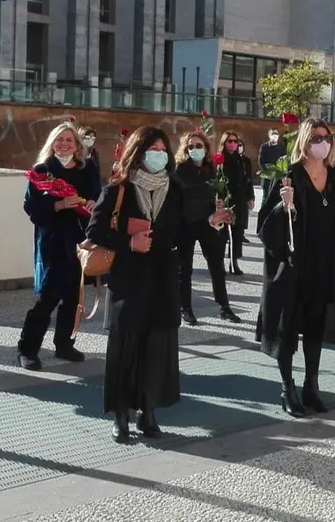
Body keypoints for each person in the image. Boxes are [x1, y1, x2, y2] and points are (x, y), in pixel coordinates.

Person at [86, 126, 231, 442]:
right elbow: (94, 231)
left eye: (163, 149)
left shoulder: (175, 190)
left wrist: (209, 222)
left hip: (163, 277)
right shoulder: (117, 190)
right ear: (139, 153)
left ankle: (147, 410)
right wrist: (129, 241)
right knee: (126, 346)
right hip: (128, 279)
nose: (159, 154)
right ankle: (121, 414)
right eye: (152, 148)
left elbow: (182, 233)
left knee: (156, 348)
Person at [258, 118, 335, 417]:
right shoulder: (288, 176)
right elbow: (265, 225)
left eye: (327, 138)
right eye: (317, 137)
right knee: (287, 329)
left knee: (315, 329)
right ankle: (287, 388)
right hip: (293, 267)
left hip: (324, 265)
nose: (324, 143)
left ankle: (311, 386)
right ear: (305, 140)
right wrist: (283, 207)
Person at [17, 123, 97, 371]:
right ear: (51, 143)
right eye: (59, 140)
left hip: (80, 241)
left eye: (69, 140)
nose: (64, 144)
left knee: (75, 297)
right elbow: (31, 207)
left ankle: (64, 343)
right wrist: (59, 205)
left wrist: (93, 203)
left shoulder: (87, 168)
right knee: (48, 296)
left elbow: (98, 194)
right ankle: (27, 348)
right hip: (53, 241)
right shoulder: (42, 171)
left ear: (77, 145)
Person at [173, 131, 241, 325]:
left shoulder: (212, 169)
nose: (195, 149)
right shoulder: (180, 171)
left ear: (206, 148)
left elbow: (217, 194)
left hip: (209, 224)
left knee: (217, 266)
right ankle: (185, 308)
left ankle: (224, 307)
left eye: (199, 145)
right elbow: (181, 201)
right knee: (184, 268)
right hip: (186, 224)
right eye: (191, 146)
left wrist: (219, 207)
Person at [217, 130, 255, 275]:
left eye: (235, 141)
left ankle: (234, 262)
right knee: (222, 234)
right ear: (224, 143)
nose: (233, 144)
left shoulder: (244, 161)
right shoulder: (219, 159)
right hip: (225, 199)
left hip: (239, 200)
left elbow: (249, 181)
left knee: (237, 233)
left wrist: (250, 198)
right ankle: (219, 262)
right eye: (229, 141)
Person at [258, 128, 286, 196]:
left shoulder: (282, 147)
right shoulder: (264, 147)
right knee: (265, 198)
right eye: (273, 133)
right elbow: (261, 162)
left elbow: (285, 161)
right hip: (268, 177)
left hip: (278, 178)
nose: (275, 135)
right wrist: (269, 171)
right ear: (269, 135)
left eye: (276, 133)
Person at [236, 139, 254, 244]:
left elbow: (250, 179)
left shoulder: (246, 161)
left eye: (240, 145)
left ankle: (241, 234)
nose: (238, 147)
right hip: (234, 190)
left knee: (243, 214)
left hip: (244, 190)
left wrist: (251, 197)